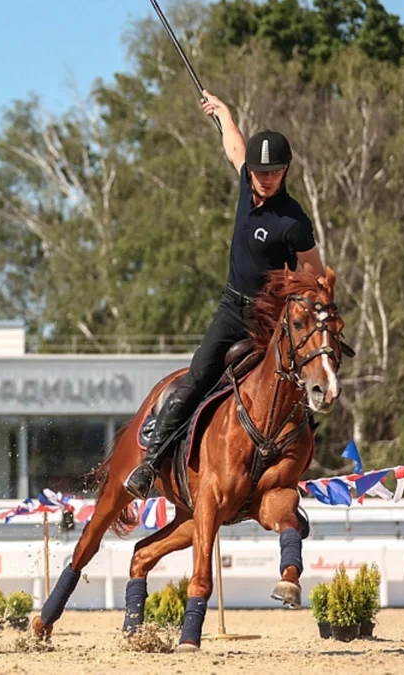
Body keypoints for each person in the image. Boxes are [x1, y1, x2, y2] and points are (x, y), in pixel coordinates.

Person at [123, 91, 327, 500]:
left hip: (268, 320)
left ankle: (289, 466)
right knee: (199, 376)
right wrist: (224, 114)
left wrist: (297, 297)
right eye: (259, 171)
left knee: (290, 377)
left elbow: (315, 272)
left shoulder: (293, 221)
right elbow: (234, 146)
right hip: (232, 310)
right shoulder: (244, 182)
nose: (265, 178)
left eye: (274, 172)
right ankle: (150, 463)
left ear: (285, 171)